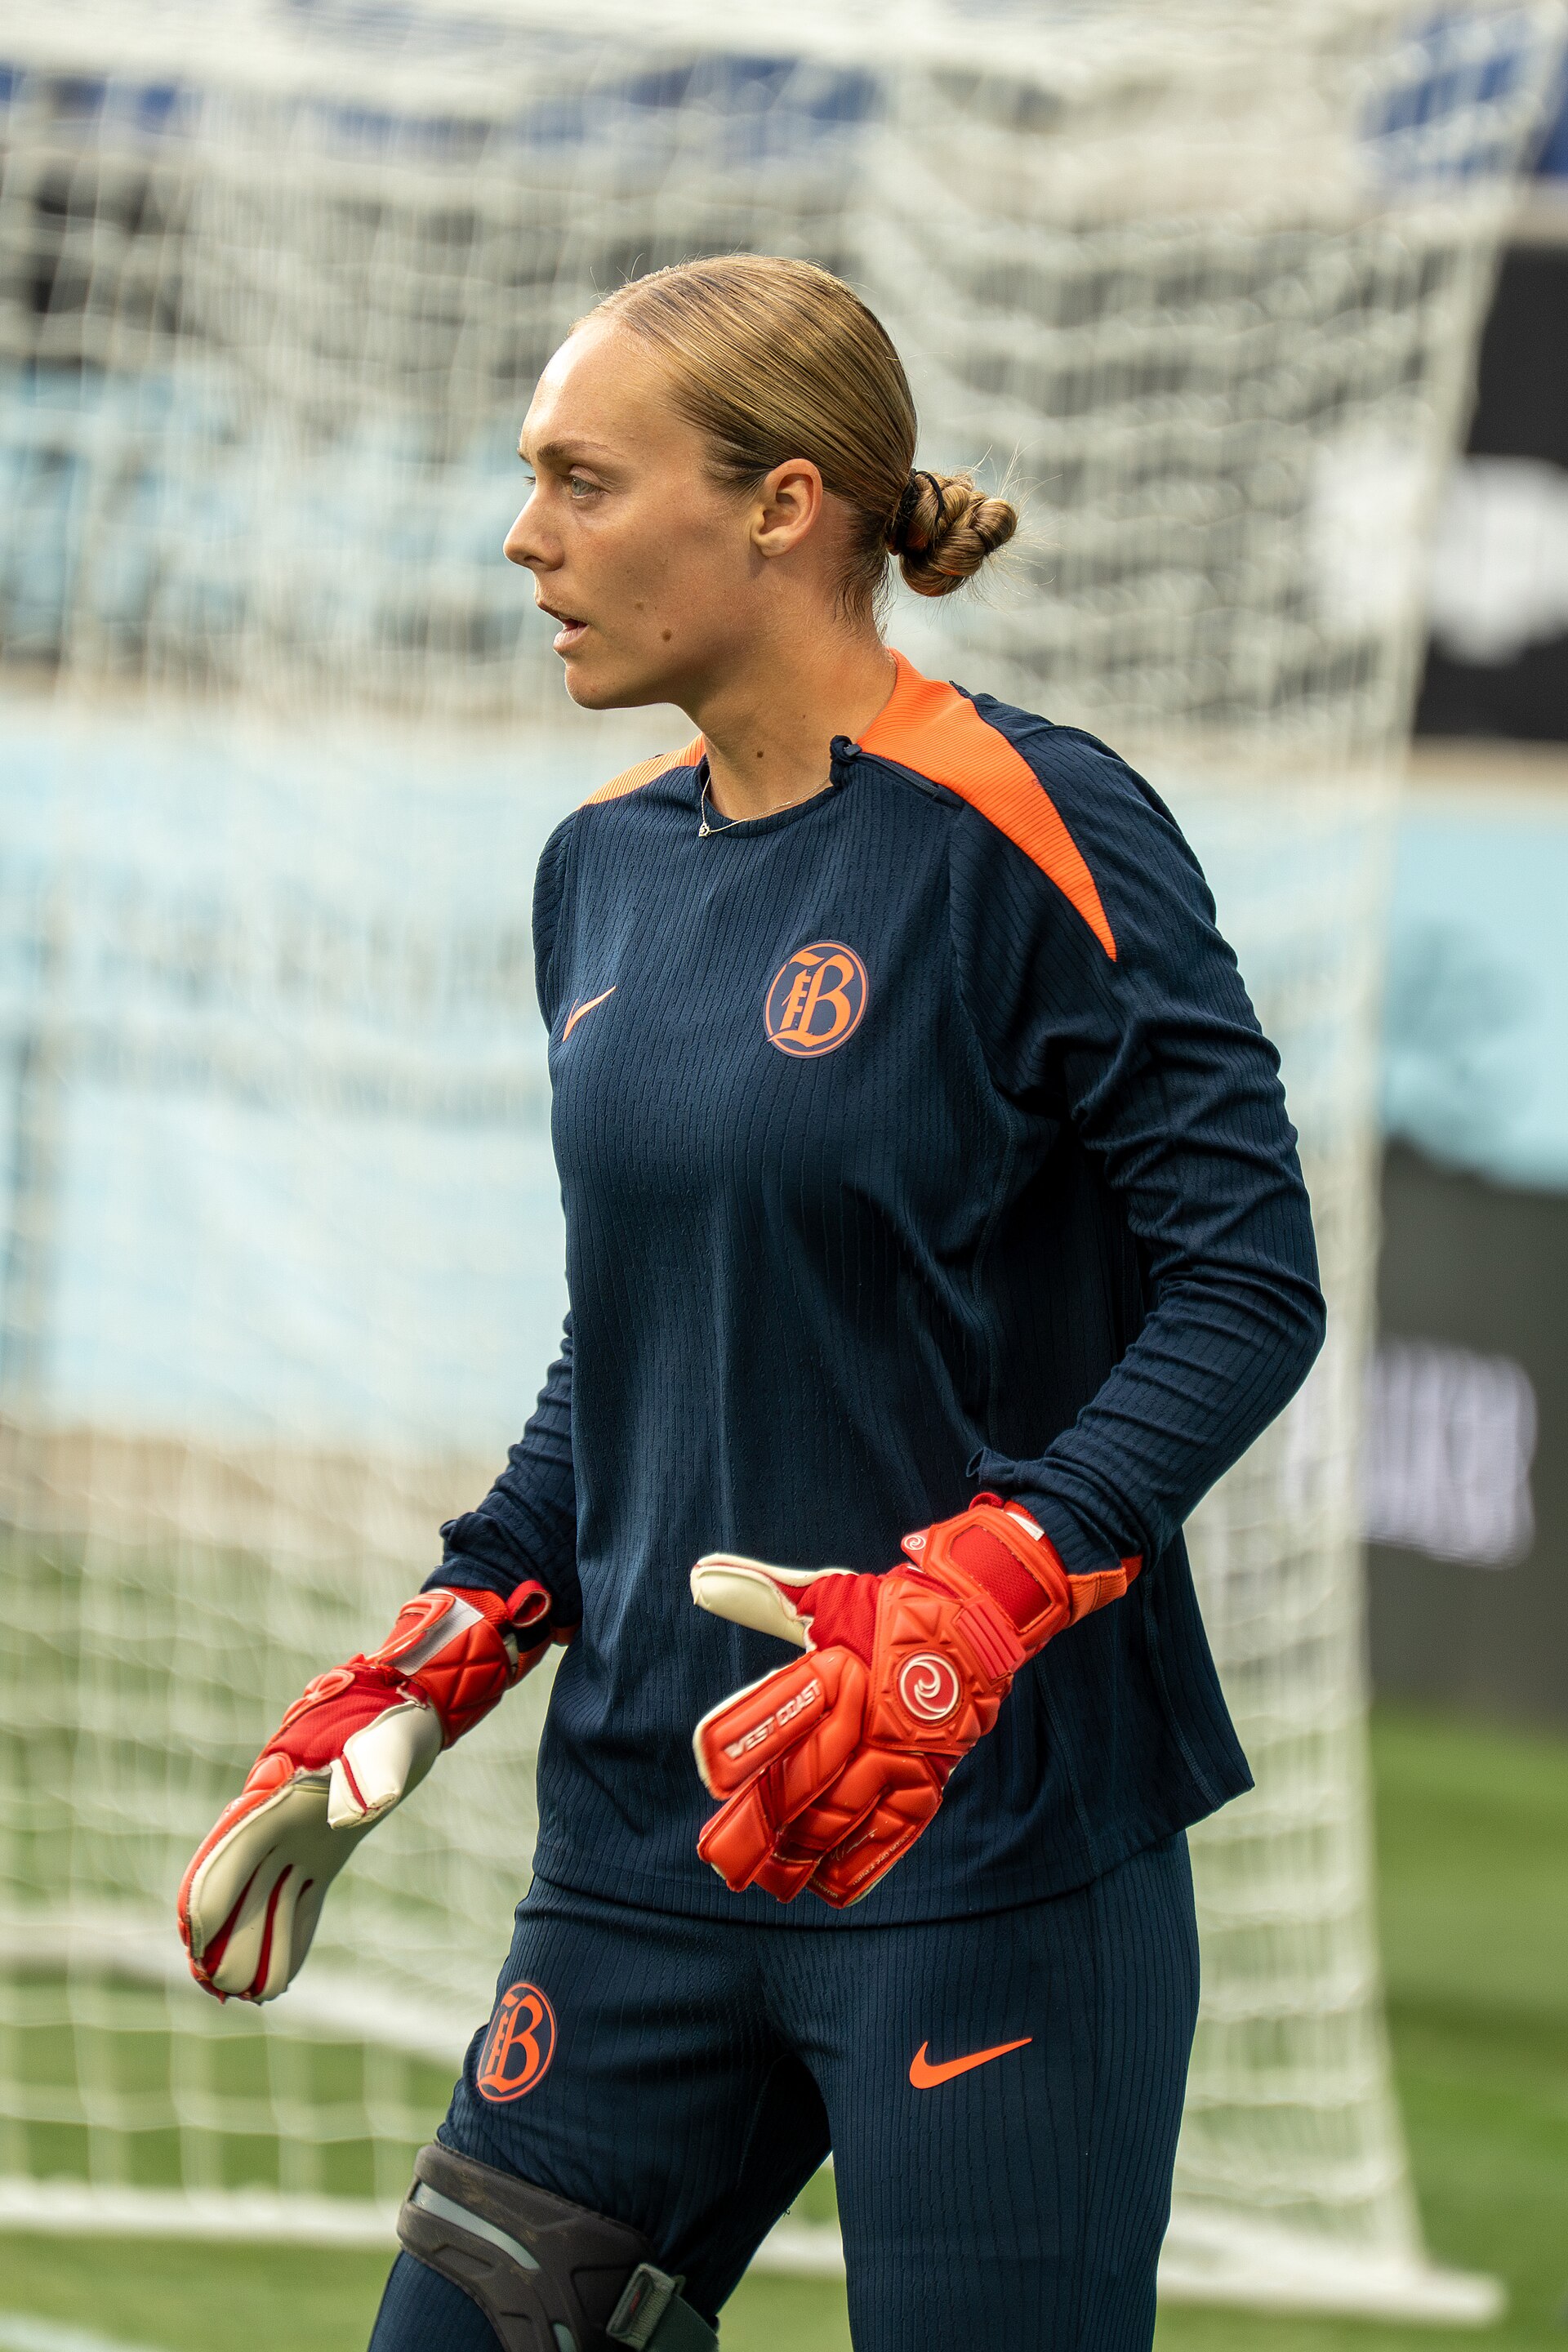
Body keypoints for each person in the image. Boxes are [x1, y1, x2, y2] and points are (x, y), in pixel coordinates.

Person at [177, 256, 1325, 2352]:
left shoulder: (1037, 826)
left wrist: (987, 1587)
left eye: (582, 483)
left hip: (986, 1859)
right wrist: (447, 1645)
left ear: (785, 505)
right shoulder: (597, 871)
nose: (528, 539)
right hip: (639, 1849)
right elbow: (627, 1345)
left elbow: (1252, 1285)